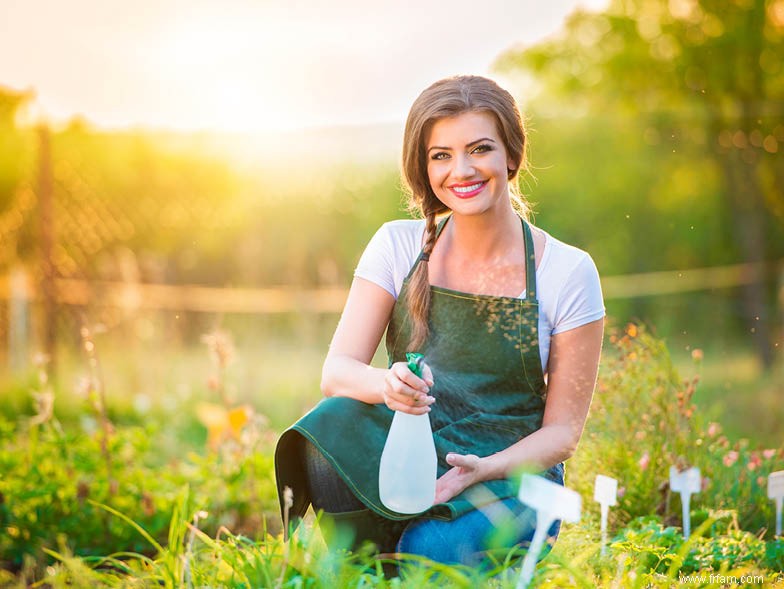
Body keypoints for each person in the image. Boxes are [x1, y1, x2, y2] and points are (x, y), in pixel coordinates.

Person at [274, 75, 604, 567]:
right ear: (423, 166)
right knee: (324, 431)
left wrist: (484, 469)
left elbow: (562, 435)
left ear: (511, 155)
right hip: (410, 452)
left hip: (509, 473)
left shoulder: (567, 271)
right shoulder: (397, 245)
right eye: (441, 155)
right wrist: (388, 384)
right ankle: (360, 569)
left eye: (480, 149)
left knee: (427, 553)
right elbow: (337, 372)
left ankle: (404, 559)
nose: (462, 170)